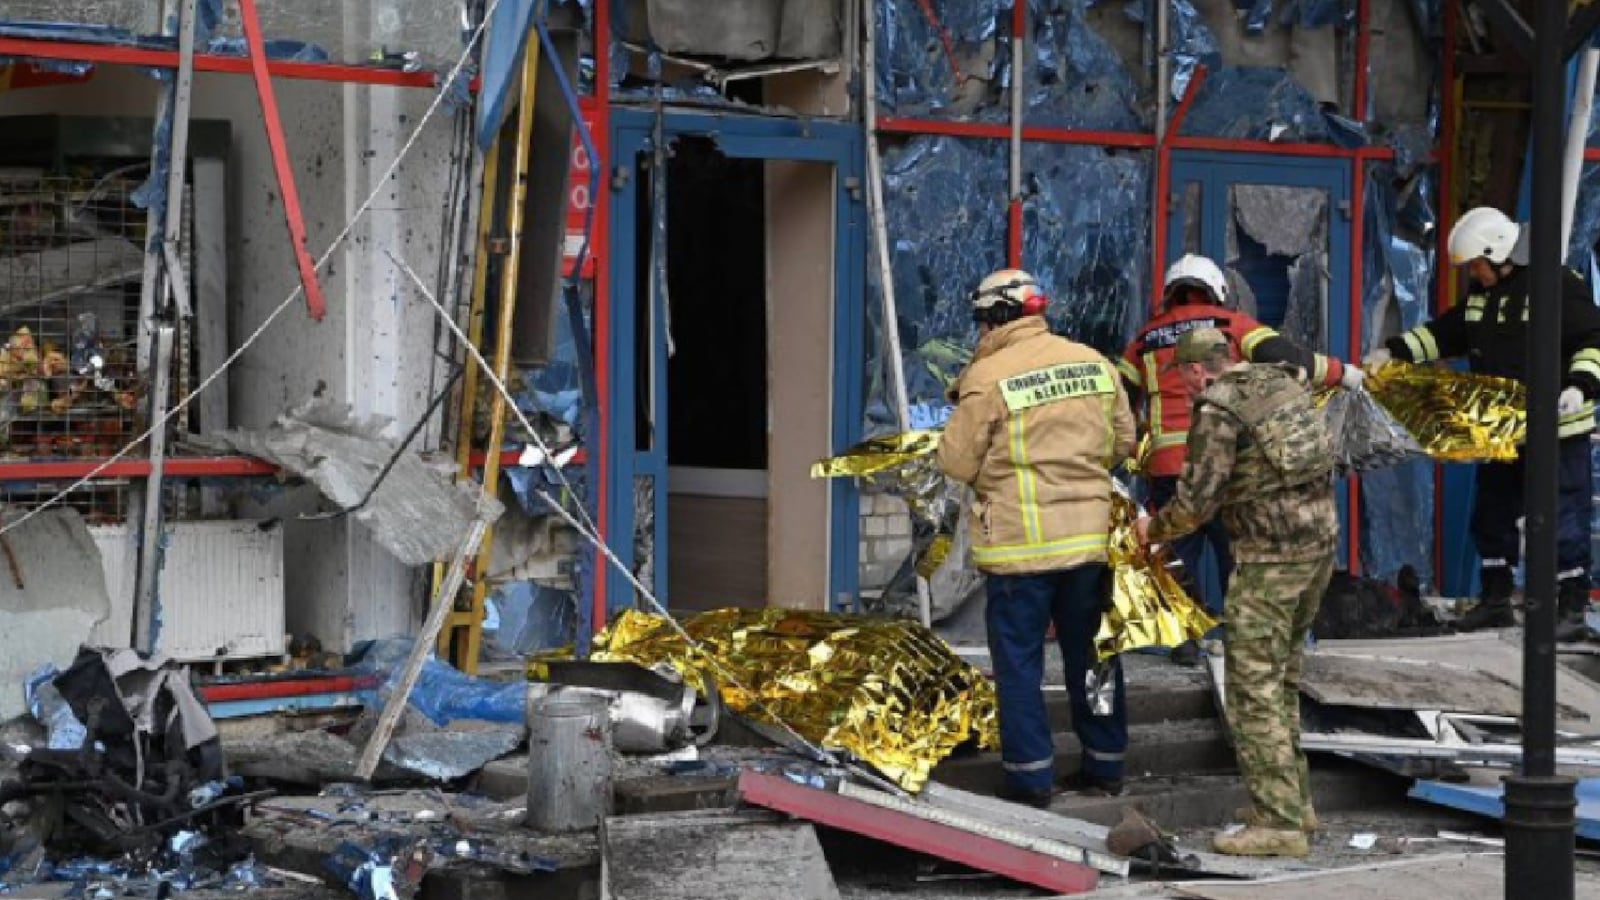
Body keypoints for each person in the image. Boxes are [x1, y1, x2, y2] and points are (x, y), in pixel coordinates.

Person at [937, 268, 1138, 807]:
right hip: (1088, 545)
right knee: (1094, 658)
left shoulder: (987, 376)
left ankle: (1030, 777)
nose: (980, 332)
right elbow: (1124, 440)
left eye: (982, 321)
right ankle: (1105, 765)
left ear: (999, 317)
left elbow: (955, 462)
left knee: (1020, 666)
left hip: (1019, 550)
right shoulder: (1094, 363)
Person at [1134, 327, 1337, 858]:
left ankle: (1279, 824)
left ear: (1195, 370)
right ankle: (1295, 802)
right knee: (1283, 677)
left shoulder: (1218, 409)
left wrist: (1150, 531)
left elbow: (1197, 502)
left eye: (1183, 376)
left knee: (1251, 690)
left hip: (1270, 560)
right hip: (1318, 549)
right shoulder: (1282, 383)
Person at [1365, 206, 1600, 633]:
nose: (1472, 272)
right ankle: (1495, 597)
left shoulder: (1558, 286)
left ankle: (1570, 608)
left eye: (1476, 264)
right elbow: (1444, 334)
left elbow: (1593, 340)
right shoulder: (1482, 298)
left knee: (1564, 514)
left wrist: (1580, 386)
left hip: (1558, 429)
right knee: (1493, 515)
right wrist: (1393, 351)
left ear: (1498, 252)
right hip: (1504, 430)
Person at [1118, 255, 1361, 661]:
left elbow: (1121, 403)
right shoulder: (1232, 325)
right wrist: (1345, 374)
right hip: (1226, 461)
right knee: (1238, 552)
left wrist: (1127, 454)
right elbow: (1293, 358)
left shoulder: (1144, 339)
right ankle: (1248, 636)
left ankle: (1184, 642)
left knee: (1176, 554)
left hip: (1168, 466)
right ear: (1216, 290)